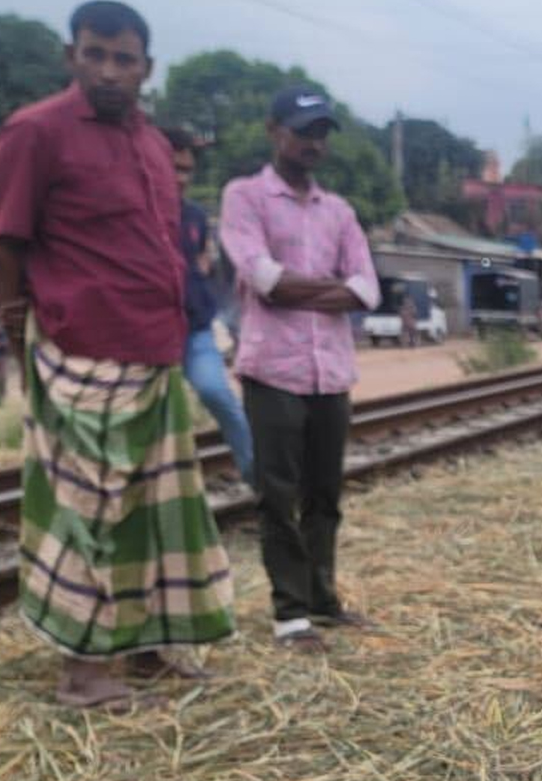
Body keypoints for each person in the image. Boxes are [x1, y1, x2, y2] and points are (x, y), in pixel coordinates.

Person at [0, 0, 236, 708]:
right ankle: (85, 675)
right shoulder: (34, 133)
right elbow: (1, 244)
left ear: (146, 69)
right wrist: (16, 338)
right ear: (71, 57)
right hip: (82, 354)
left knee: (158, 515)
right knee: (91, 518)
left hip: (155, 355)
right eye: (95, 54)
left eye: (124, 59)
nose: (109, 70)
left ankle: (151, 651)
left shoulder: (153, 142)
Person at [218, 86, 379, 652]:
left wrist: (298, 290)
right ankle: (290, 614)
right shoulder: (245, 197)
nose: (313, 142)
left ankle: (322, 599)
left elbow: (367, 290)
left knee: (325, 493)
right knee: (277, 493)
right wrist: (328, 290)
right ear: (273, 130)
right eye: (303, 130)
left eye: (321, 133)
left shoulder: (339, 211)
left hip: (330, 373)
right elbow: (265, 280)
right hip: (273, 371)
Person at [163, 127, 256, 486]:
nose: (180, 178)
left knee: (217, 393)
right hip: (150, 334)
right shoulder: (132, 213)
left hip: (196, 329)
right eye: (173, 167)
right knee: (160, 418)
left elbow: (202, 258)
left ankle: (257, 476)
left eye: (186, 170)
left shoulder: (196, 217)